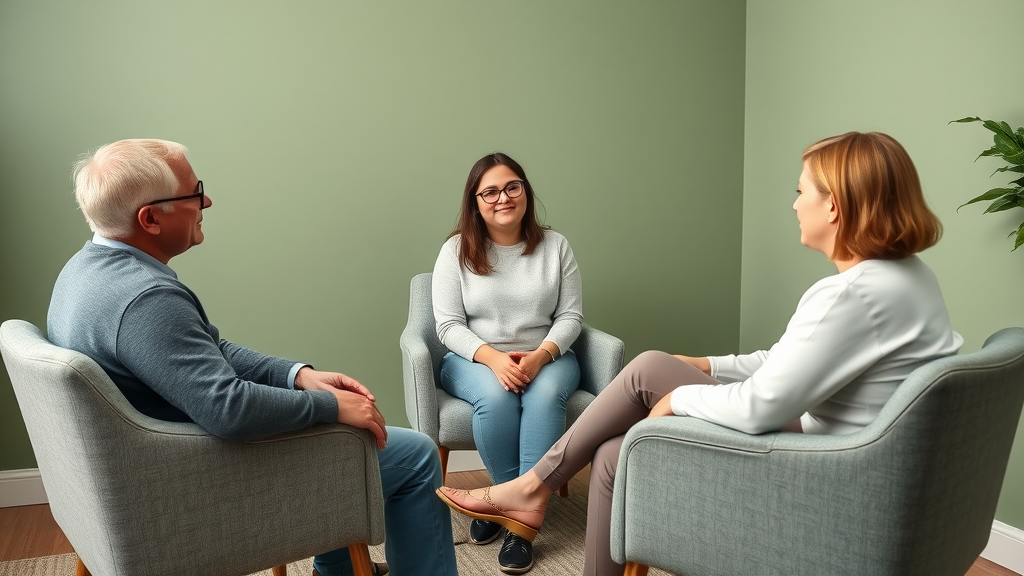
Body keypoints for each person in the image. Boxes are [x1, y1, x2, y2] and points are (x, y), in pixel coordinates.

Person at [436, 132, 964, 576]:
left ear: (835, 204)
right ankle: (532, 491)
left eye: (801, 190)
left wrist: (681, 399)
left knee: (636, 401)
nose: (794, 202)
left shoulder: (851, 294)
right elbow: (784, 361)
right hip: (859, 453)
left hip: (824, 469)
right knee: (626, 427)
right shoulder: (909, 277)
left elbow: (763, 407)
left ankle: (530, 489)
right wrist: (707, 367)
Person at [46, 139, 459, 576]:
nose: (207, 200)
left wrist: (297, 376)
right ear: (149, 219)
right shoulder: (147, 300)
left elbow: (210, 349)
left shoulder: (82, 272)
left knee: (337, 431)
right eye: (193, 192)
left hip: (140, 477)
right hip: (192, 485)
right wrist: (331, 405)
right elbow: (229, 410)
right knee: (413, 454)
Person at [431, 152, 583, 573]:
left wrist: (539, 358)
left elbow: (570, 316)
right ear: (475, 201)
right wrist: (496, 360)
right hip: (473, 358)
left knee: (546, 393)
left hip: (547, 355)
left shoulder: (555, 246)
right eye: (490, 191)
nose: (503, 198)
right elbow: (447, 326)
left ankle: (518, 527)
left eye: (512, 187)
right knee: (496, 397)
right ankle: (508, 499)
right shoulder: (455, 251)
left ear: (526, 192)